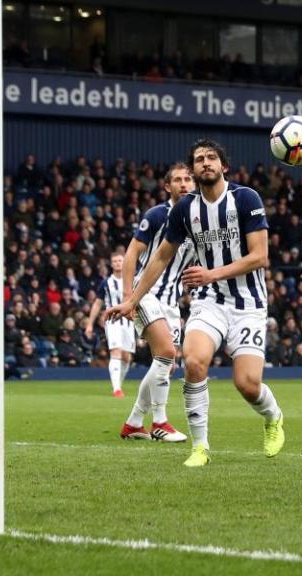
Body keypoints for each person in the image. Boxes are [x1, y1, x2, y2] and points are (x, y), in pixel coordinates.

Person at [106, 139, 285, 467]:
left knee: (246, 384)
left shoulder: (246, 199)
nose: (205, 163)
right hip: (208, 302)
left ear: (223, 166)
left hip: (248, 303)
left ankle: (273, 417)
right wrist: (131, 299)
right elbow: (160, 257)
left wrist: (211, 273)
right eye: (199, 159)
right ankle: (200, 447)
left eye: (211, 158)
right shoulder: (184, 209)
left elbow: (260, 257)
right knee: (193, 360)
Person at [118, 162, 196, 443]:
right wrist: (129, 297)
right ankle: (160, 422)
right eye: (177, 180)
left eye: (188, 179)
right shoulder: (156, 215)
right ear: (167, 186)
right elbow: (131, 255)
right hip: (146, 293)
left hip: (172, 302)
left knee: (164, 364)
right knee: (165, 353)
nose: (184, 184)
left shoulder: (199, 219)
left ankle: (134, 423)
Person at [85, 253, 134, 397]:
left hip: (128, 321)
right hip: (112, 321)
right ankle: (116, 389)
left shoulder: (132, 280)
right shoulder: (106, 283)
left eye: (120, 260)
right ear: (111, 264)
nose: (118, 263)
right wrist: (90, 323)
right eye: (115, 261)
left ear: (124, 262)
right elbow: (98, 303)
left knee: (126, 357)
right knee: (116, 351)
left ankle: (118, 383)